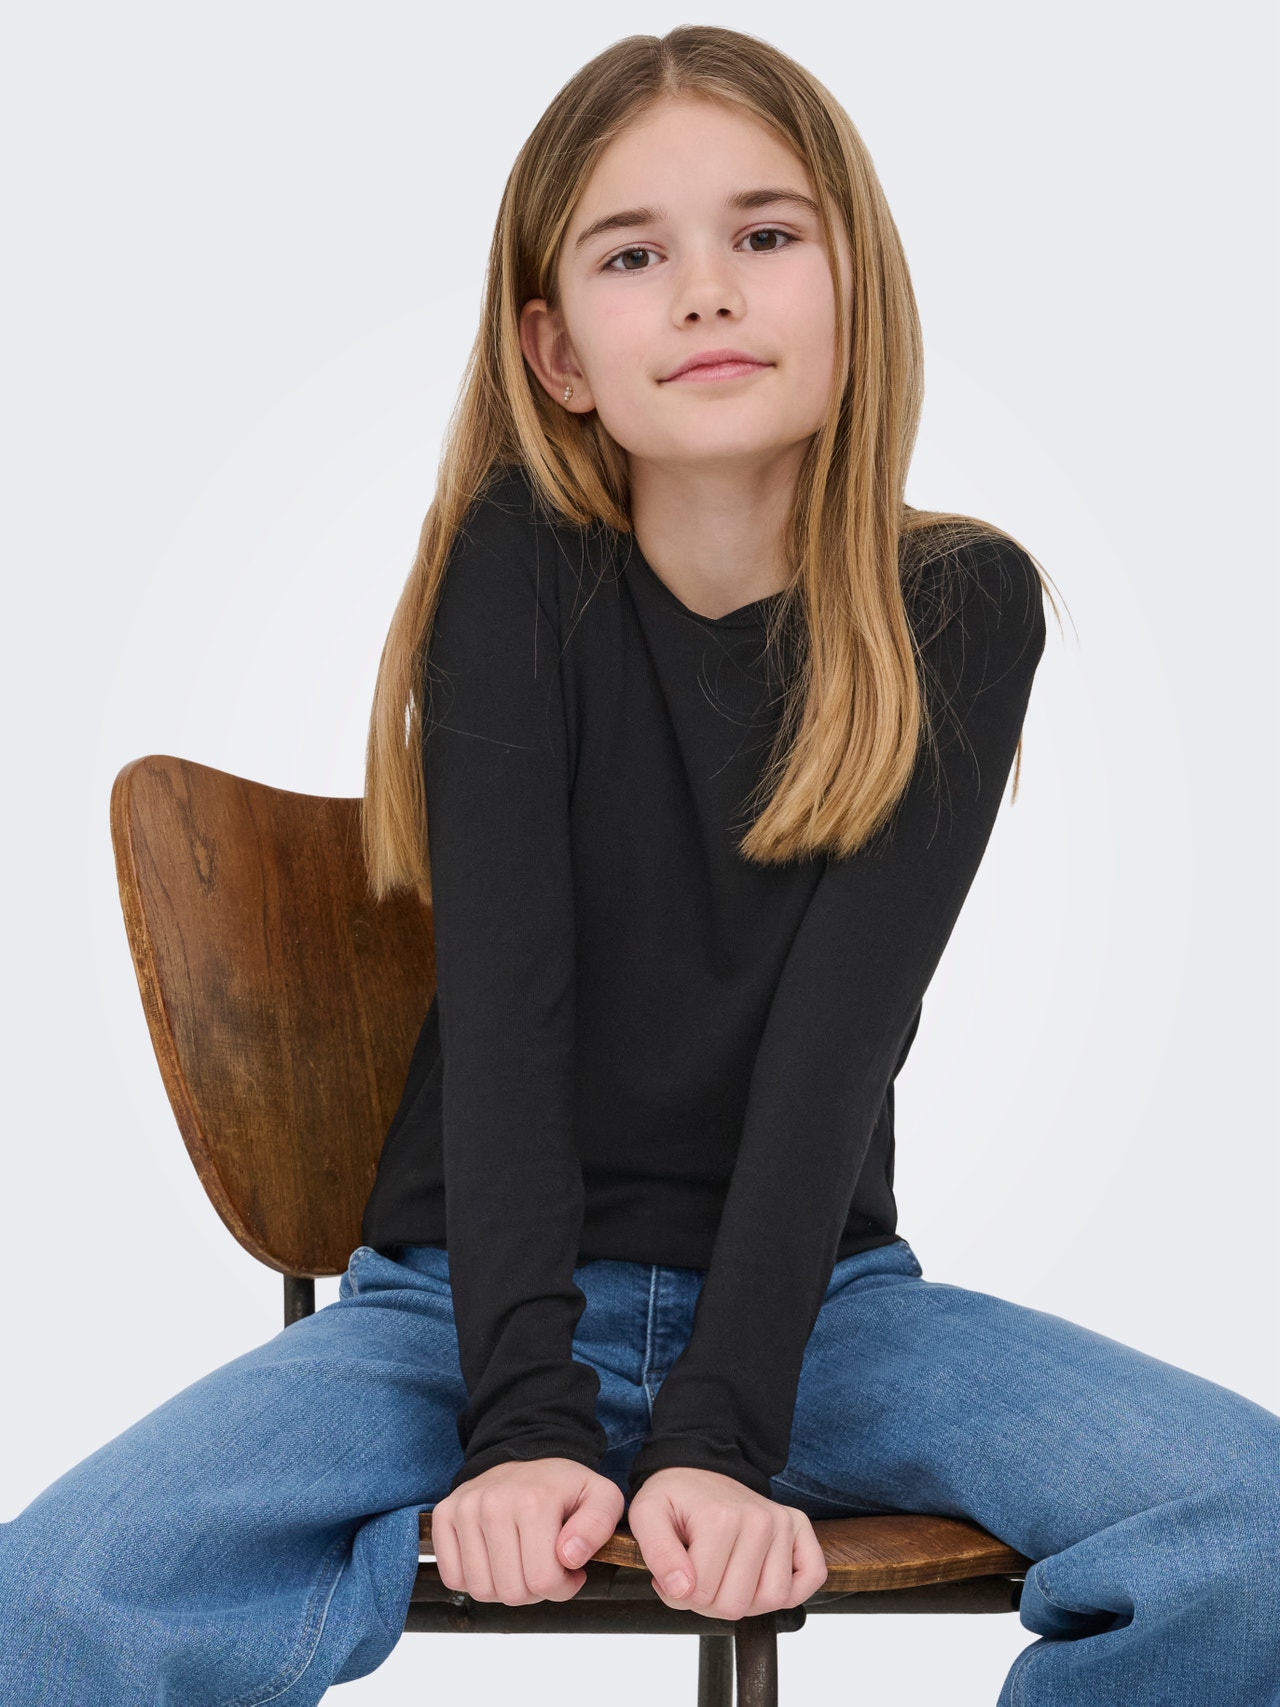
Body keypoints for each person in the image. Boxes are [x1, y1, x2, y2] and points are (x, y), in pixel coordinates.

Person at [1, 24, 1276, 1707]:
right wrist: (523, 1423)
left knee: (1251, 1526)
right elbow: (510, 1024)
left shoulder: (960, 608)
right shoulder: (516, 566)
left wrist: (723, 1435)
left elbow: (834, 1053)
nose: (706, 293)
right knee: (52, 1595)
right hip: (459, 1313)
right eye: (632, 255)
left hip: (818, 1314)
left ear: (857, 284)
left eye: (766, 233)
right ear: (556, 351)